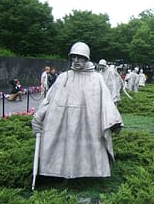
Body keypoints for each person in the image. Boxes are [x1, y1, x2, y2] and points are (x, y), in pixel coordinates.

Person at [31, 42, 123, 179]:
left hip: (88, 122)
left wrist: (114, 120)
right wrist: (38, 118)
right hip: (63, 121)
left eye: (79, 57)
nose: (76, 60)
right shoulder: (63, 77)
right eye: (73, 57)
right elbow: (48, 100)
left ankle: (89, 172)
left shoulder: (96, 78)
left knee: (88, 146)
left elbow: (106, 101)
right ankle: (59, 172)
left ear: (86, 58)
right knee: (63, 146)